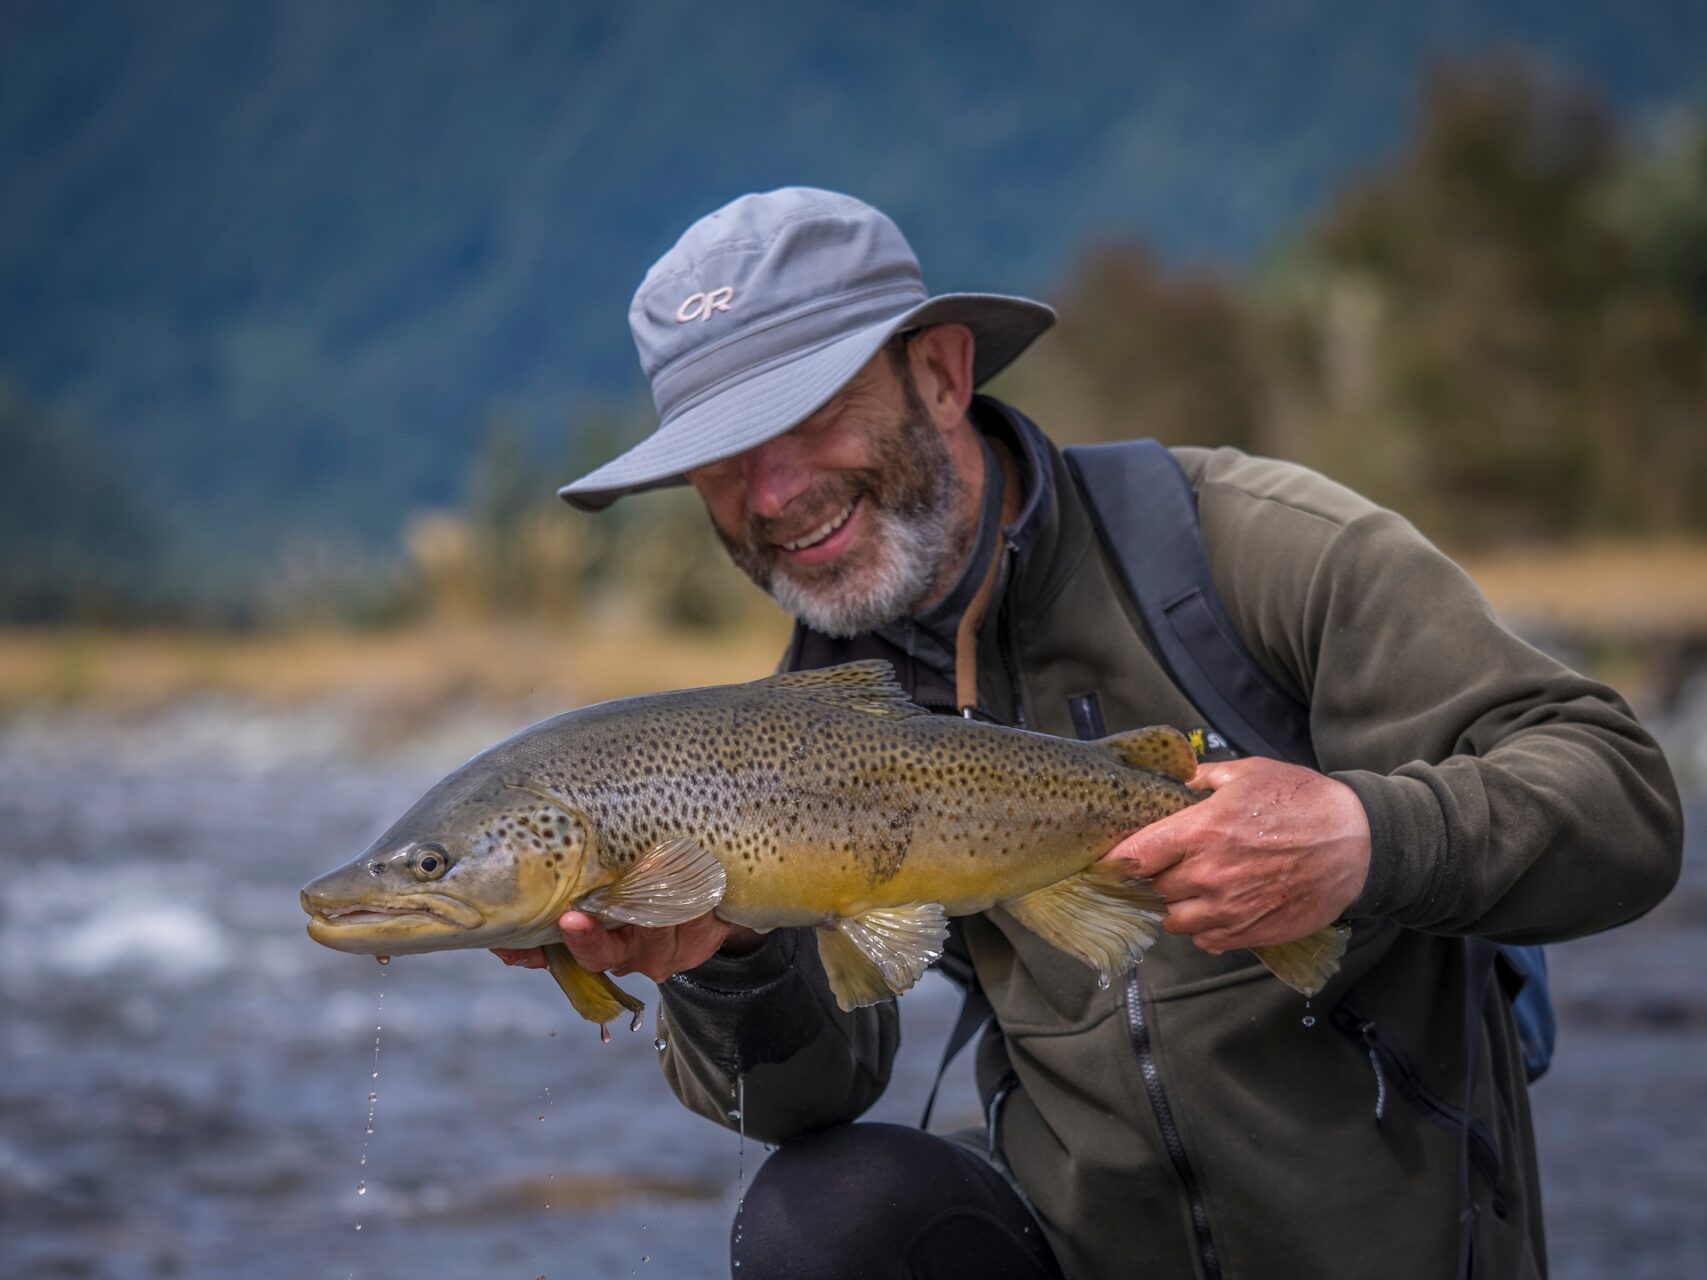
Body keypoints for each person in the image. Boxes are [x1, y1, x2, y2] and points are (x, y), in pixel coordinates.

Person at [496, 187, 1683, 1279]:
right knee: (822, 1218)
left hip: (1401, 1247)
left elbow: (1624, 794)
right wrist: (727, 956)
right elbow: (805, 1099)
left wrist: (1366, 837)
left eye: (806, 416)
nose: (769, 493)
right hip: (1092, 1251)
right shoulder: (795, 725)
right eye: (719, 461)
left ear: (944, 375)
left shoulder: (1244, 551)